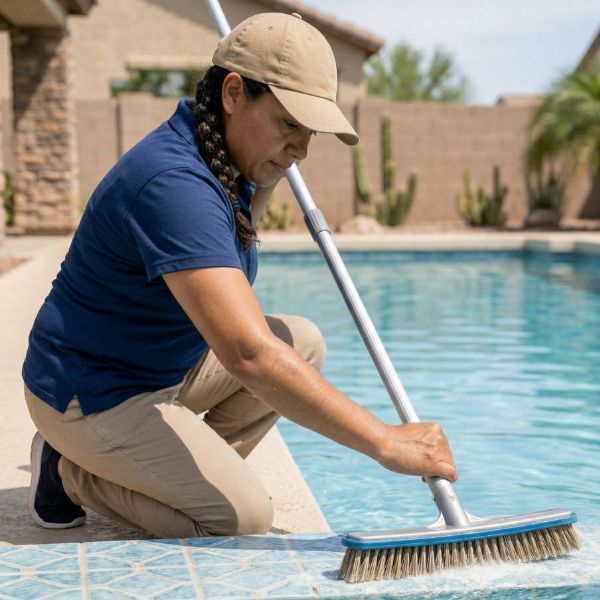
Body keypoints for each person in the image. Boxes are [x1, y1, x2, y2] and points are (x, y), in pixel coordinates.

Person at [23, 12, 457, 538]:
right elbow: (247, 353)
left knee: (303, 342)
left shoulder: (225, 158)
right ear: (233, 93)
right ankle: (70, 471)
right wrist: (386, 441)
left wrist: (268, 164)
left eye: (309, 131)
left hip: (157, 368)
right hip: (92, 393)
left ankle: (167, 478)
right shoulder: (174, 184)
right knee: (239, 518)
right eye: (289, 124)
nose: (301, 150)